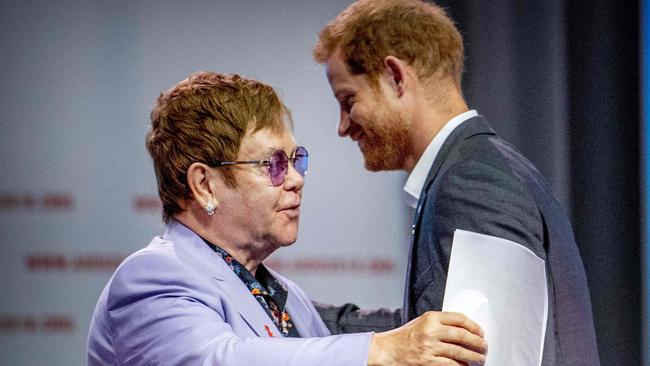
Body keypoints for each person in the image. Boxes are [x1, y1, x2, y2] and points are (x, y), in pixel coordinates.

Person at [86, 71, 487, 365]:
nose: (296, 180)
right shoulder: (152, 277)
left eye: (296, 160)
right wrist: (380, 350)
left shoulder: (285, 296)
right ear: (204, 184)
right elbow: (215, 360)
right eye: (274, 164)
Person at [312, 1, 600, 365]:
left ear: (395, 77)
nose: (343, 126)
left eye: (348, 100)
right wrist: (286, 308)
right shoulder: (475, 171)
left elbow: (484, 356)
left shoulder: (470, 183)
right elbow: (436, 333)